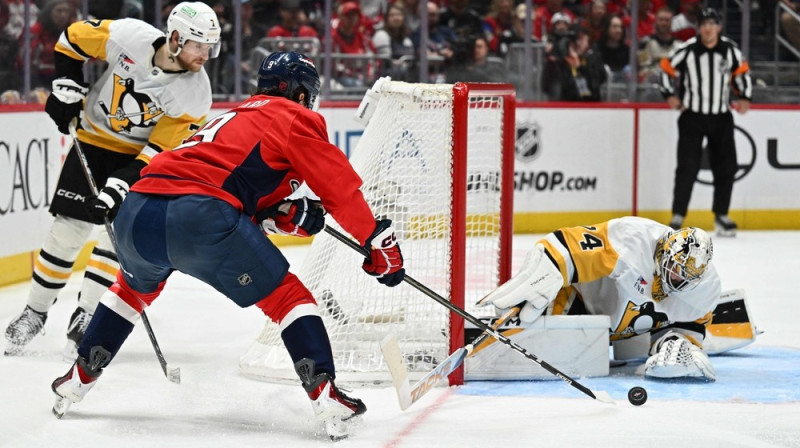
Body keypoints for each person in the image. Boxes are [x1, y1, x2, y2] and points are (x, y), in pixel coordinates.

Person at [51, 51, 405, 440]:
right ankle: (326, 395)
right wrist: (376, 239)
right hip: (199, 213)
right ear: (302, 95)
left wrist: (277, 214)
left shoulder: (230, 116)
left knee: (130, 291)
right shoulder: (293, 116)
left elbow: (228, 181)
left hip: (137, 212)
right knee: (290, 298)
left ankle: (77, 379)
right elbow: (339, 188)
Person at [4, 2, 220, 357]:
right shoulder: (128, 36)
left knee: (115, 241)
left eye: (210, 47)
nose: (205, 55)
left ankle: (86, 315)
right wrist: (67, 85)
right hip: (90, 140)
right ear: (177, 38)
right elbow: (72, 40)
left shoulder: (195, 94)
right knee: (66, 232)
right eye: (199, 45)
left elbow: (157, 151)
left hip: (135, 159)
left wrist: (121, 184)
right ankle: (35, 312)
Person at [478, 216, 719, 381]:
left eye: (684, 277)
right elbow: (572, 244)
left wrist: (676, 343)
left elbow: (689, 323)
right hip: (582, 303)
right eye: (674, 268)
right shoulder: (632, 239)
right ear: (664, 250)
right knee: (551, 348)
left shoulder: (705, 290)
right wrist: (554, 262)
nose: (675, 278)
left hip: (627, 329)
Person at [659, 8, 752, 237]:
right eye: (704, 24)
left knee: (726, 167)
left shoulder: (729, 50)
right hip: (693, 117)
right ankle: (678, 215)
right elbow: (665, 68)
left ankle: (721, 214)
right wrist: (669, 94)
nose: (708, 28)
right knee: (687, 167)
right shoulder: (688, 49)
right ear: (699, 27)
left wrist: (744, 97)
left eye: (712, 23)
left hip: (721, 117)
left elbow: (742, 73)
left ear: (719, 26)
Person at [541, 24, 607, 101]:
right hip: (565, 107)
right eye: (575, 40)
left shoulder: (593, 58)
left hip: (590, 107)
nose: (578, 44)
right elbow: (547, 88)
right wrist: (550, 63)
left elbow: (593, 88)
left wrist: (580, 69)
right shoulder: (562, 61)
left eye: (582, 39)